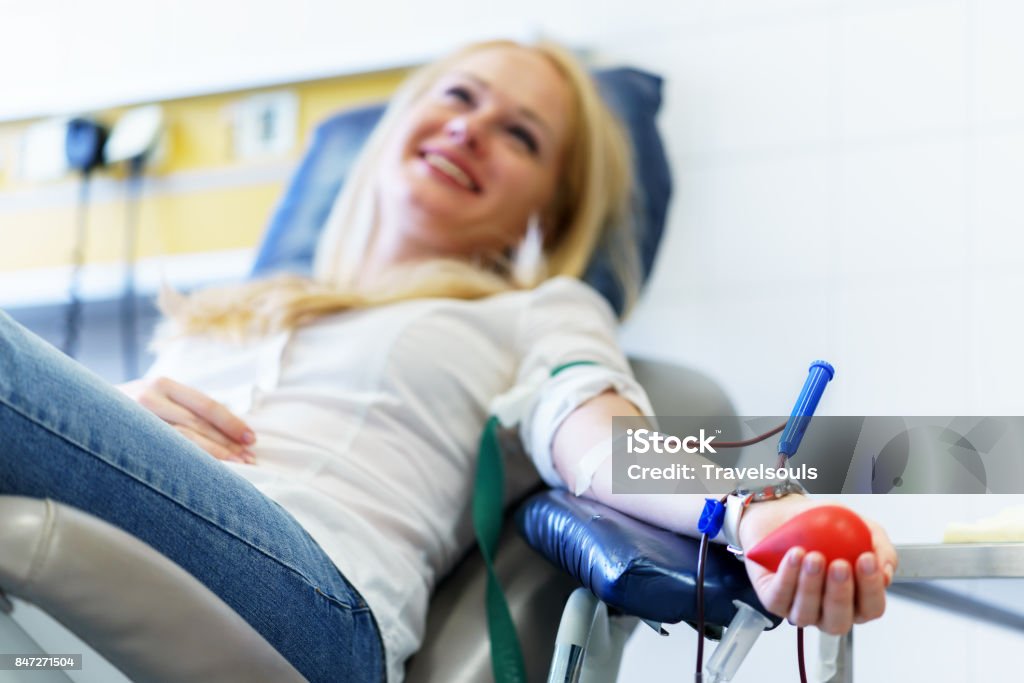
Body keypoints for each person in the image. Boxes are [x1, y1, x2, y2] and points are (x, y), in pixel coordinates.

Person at [0, 39, 896, 683]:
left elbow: (593, 434)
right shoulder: (222, 311)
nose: (471, 130)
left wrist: (749, 512)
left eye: (521, 135)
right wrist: (109, 409)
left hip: (312, 599)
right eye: (460, 97)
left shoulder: (531, 309)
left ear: (546, 210)